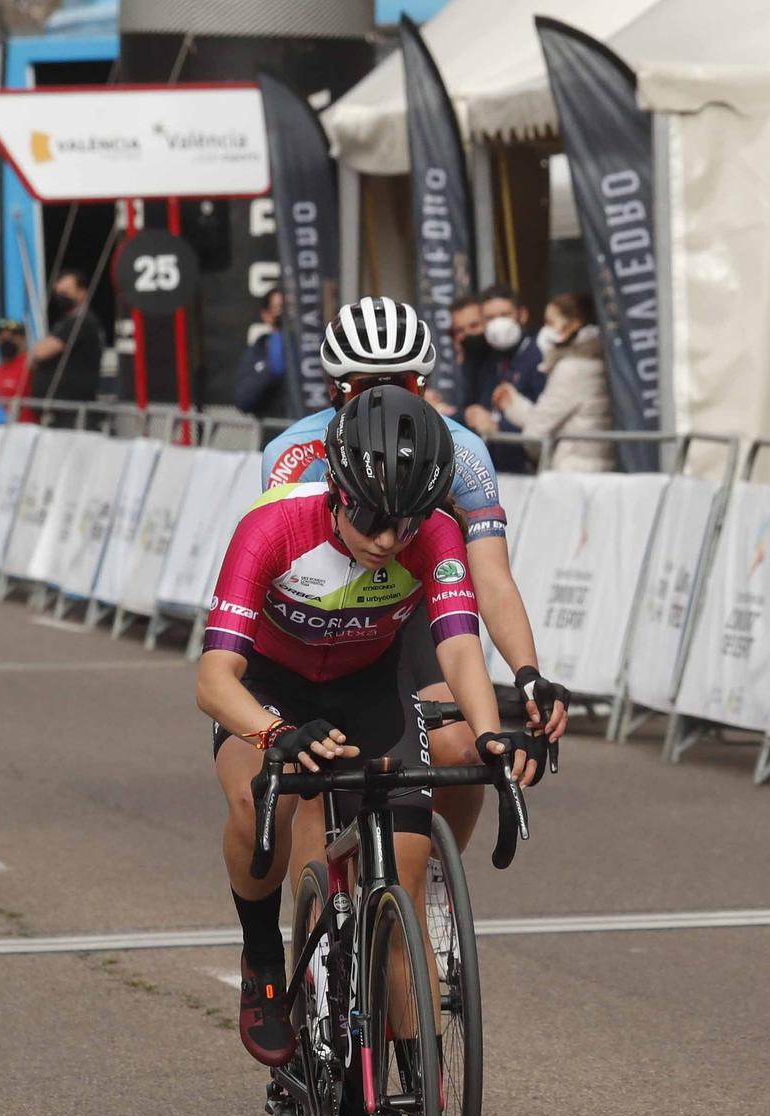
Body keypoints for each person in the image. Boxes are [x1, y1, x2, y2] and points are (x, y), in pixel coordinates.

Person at [199, 386, 538, 1116]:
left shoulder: (434, 533)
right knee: (266, 812)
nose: (391, 542)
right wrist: (269, 733)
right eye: (374, 523)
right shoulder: (274, 525)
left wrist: (491, 731)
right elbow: (214, 678)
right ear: (337, 494)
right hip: (272, 693)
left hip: (369, 693)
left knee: (405, 893)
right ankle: (263, 959)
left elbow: (459, 651)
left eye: (408, 524)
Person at [262, 296, 566, 891]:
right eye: (364, 387)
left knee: (461, 747)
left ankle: (424, 880)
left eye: (399, 383)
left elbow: (492, 579)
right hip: (327, 619)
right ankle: (322, 932)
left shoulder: (462, 452)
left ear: (422, 383)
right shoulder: (294, 456)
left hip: (414, 610)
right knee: (317, 774)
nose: (385, 399)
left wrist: (528, 672)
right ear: (334, 389)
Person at [492, 292, 615, 472]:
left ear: (572, 326)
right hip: (590, 469)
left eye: (550, 323)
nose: (544, 330)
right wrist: (513, 404)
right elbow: (549, 418)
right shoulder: (592, 362)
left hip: (572, 473)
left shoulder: (571, 368)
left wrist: (512, 407)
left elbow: (536, 434)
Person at [458, 284, 544, 460]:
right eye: (490, 318)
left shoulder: (539, 355)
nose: (498, 324)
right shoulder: (492, 358)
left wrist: (496, 427)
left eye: (505, 315)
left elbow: (546, 422)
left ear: (522, 315)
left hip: (529, 466)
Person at [28, 268, 105, 418]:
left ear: (82, 292)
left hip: (71, 413)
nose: (61, 296)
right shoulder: (65, 322)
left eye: (67, 291)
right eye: (59, 292)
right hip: (57, 413)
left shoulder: (81, 322)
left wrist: (36, 354)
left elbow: (40, 352)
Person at [232, 288, 292, 422]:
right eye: (277, 309)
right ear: (266, 315)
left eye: (287, 308)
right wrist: (266, 369)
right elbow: (242, 400)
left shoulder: (310, 348)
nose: (282, 314)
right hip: (272, 430)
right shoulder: (258, 350)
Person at [0, 320, 30, 409]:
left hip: (25, 422)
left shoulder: (31, 366)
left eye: (10, 337)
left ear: (22, 338)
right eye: (1, 338)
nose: (5, 341)